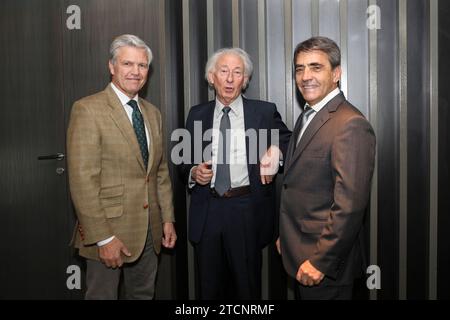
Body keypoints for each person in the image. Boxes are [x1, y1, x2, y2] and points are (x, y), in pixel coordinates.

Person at [67, 34, 177, 300]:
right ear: (112, 67)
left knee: (143, 295)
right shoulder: (88, 109)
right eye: (128, 64)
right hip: (108, 231)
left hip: (150, 233)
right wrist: (103, 238)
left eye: (142, 66)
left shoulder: (153, 113)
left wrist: (167, 219)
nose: (135, 72)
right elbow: (83, 180)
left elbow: (159, 172)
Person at [178, 48, 291, 299]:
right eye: (223, 71)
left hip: (246, 210)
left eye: (237, 72)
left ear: (245, 80)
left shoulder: (263, 112)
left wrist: (275, 150)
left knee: (247, 288)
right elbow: (183, 161)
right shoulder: (196, 114)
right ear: (211, 77)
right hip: (207, 209)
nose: (230, 79)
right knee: (208, 289)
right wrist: (195, 172)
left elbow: (291, 143)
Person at [278, 36, 376, 300]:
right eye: (300, 69)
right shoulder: (308, 115)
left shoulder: (350, 123)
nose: (305, 76)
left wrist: (321, 262)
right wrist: (287, 238)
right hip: (300, 253)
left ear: (336, 74)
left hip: (324, 267)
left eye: (315, 67)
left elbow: (350, 205)